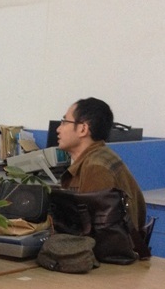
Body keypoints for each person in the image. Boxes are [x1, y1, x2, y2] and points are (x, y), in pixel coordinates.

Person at [56, 97, 146, 232]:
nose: (58, 129)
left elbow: (97, 232)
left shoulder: (96, 169)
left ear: (83, 129)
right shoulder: (102, 156)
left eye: (64, 122)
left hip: (104, 246)